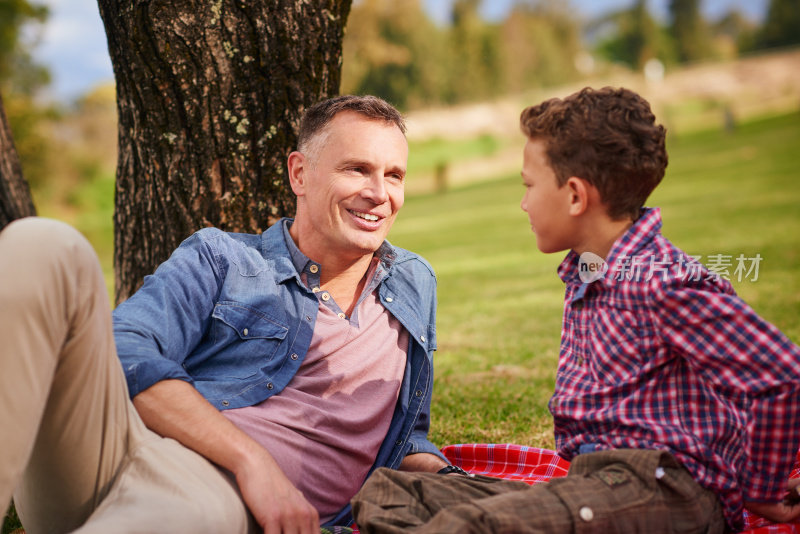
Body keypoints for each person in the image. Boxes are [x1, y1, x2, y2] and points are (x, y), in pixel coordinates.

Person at [351, 86, 800, 533]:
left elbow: (781, 375)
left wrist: (760, 487)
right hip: (597, 487)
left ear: (575, 196)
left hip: (665, 492)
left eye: (529, 186)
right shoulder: (590, 272)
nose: (524, 202)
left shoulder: (664, 280)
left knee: (472, 525)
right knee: (391, 492)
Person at [0, 94, 452, 534]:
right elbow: (123, 346)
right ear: (300, 173)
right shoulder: (223, 258)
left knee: (195, 515)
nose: (379, 193)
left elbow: (404, 435)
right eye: (357, 169)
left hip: (211, 496)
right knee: (40, 244)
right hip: (108, 454)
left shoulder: (413, 283)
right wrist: (251, 459)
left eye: (395, 175)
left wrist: (452, 479)